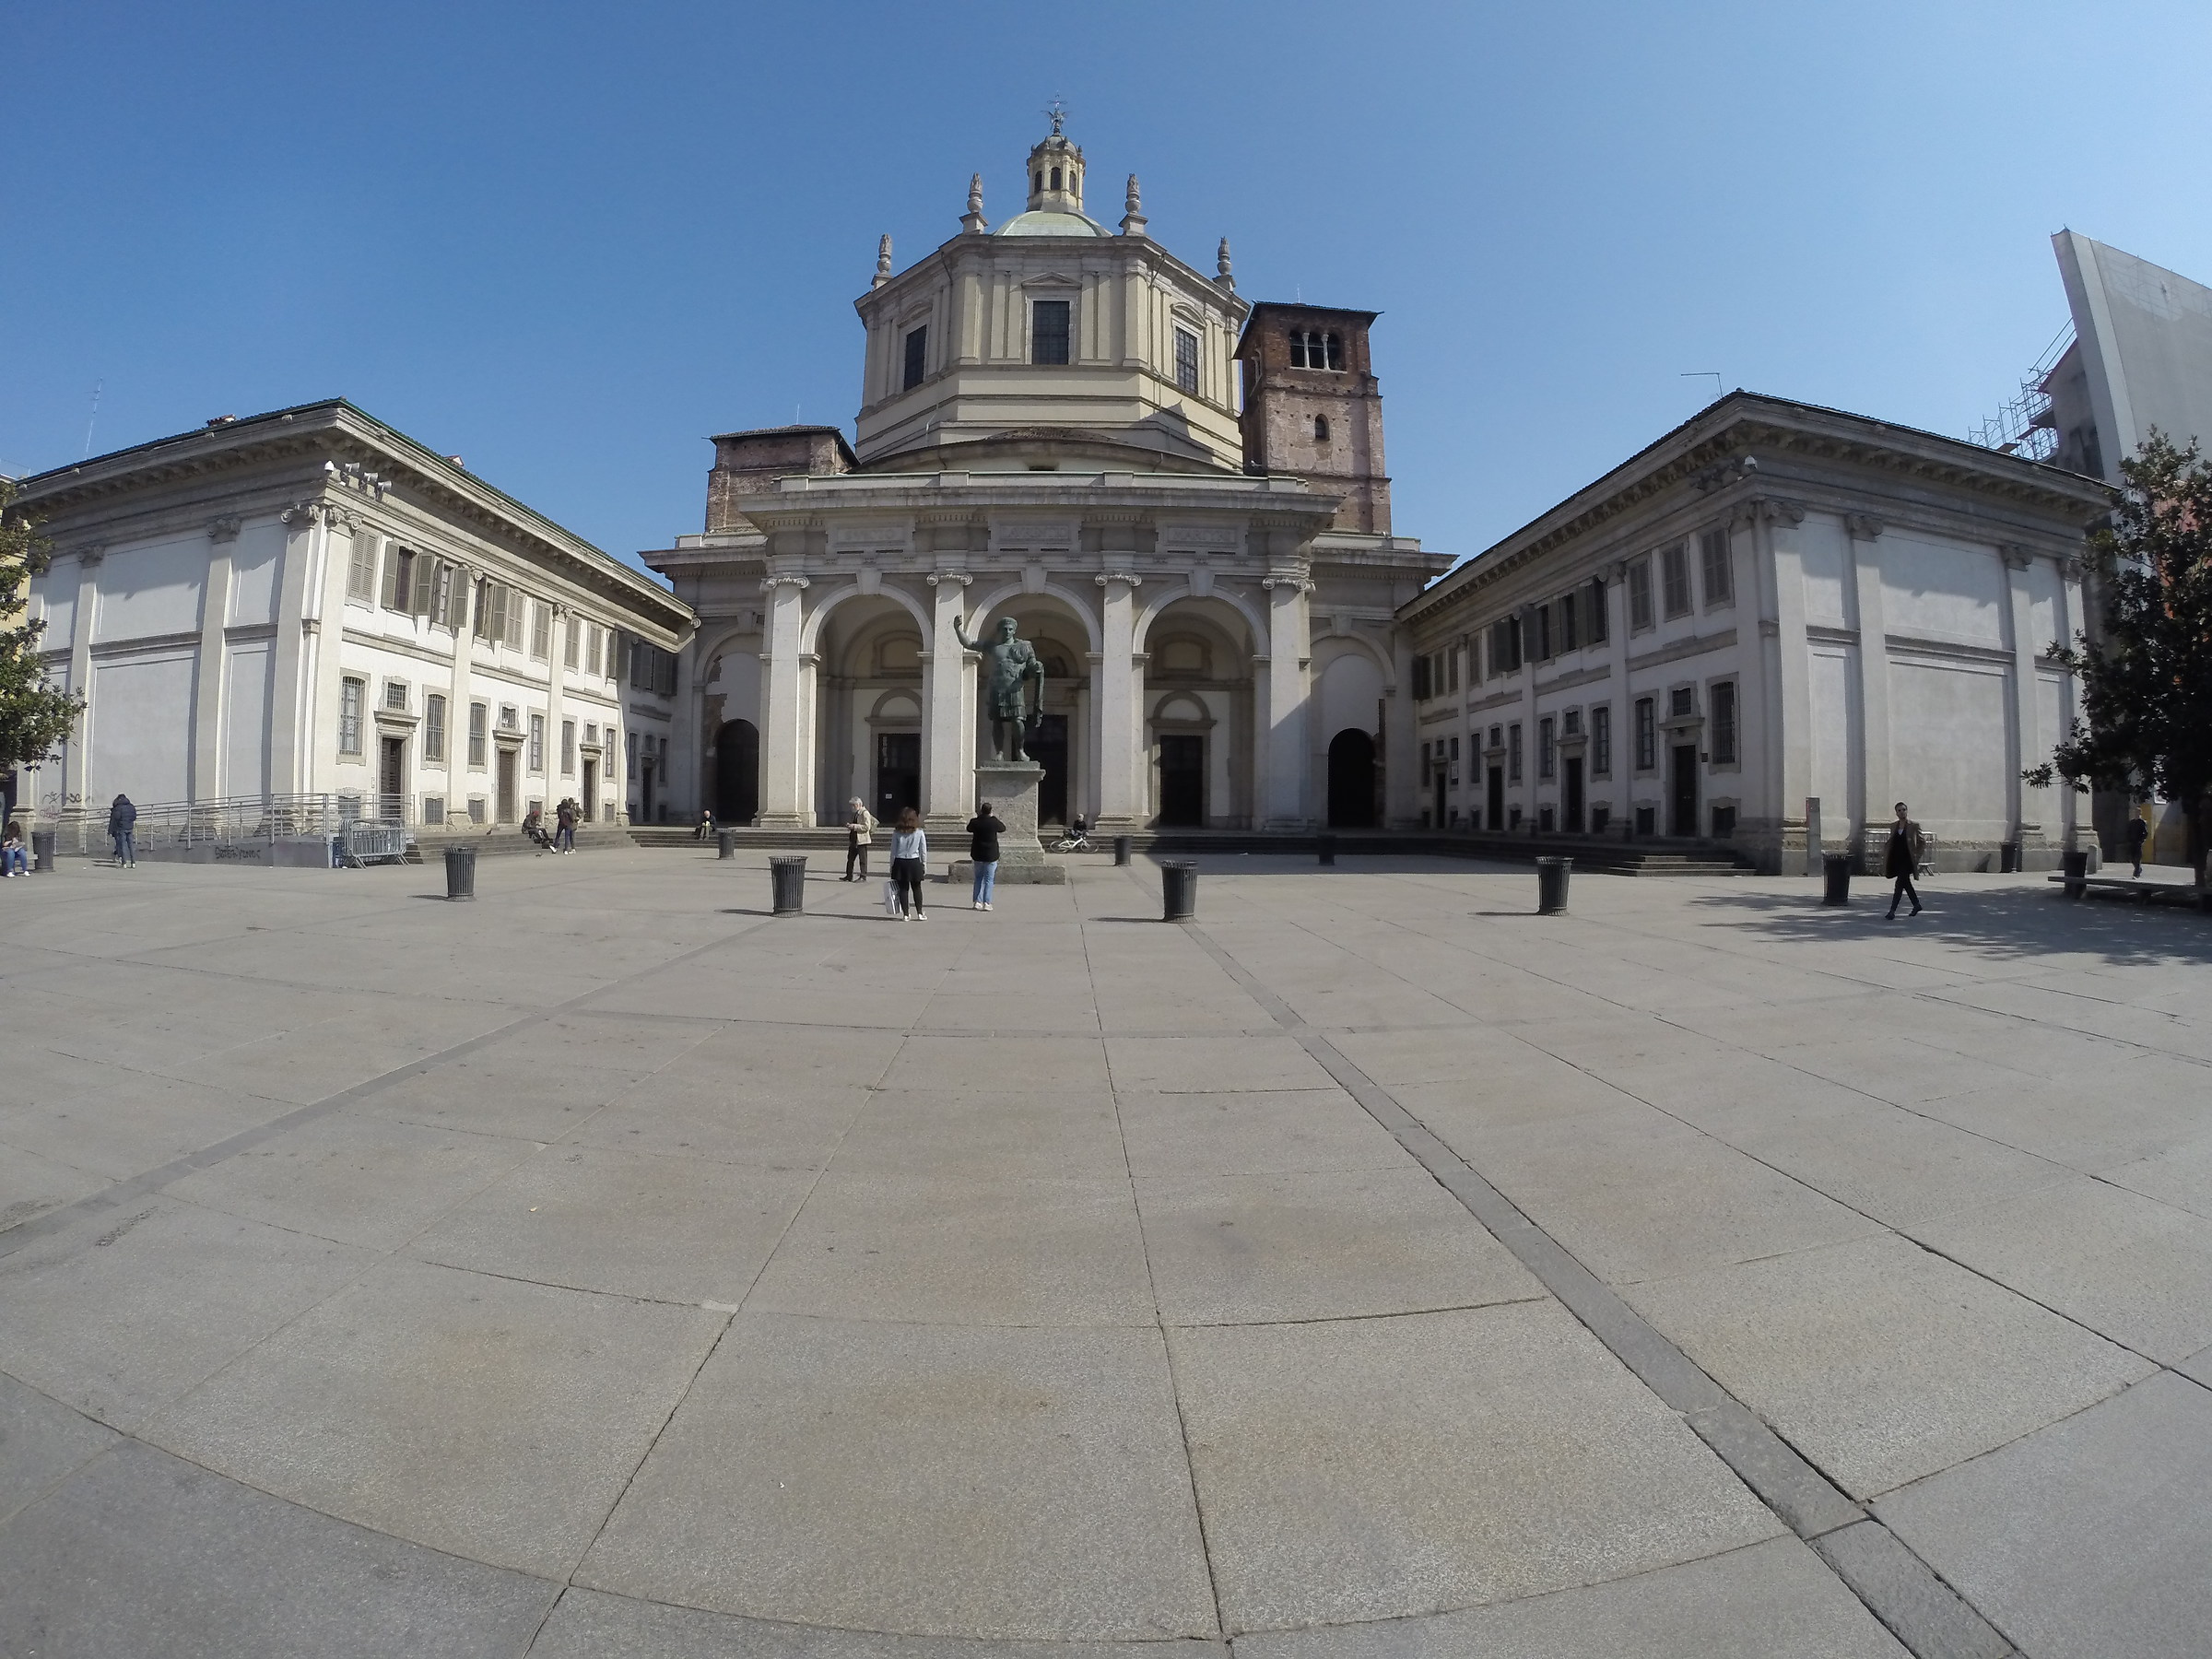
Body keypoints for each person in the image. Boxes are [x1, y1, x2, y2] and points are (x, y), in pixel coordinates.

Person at [1883, 801, 1924, 919]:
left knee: (1899, 884)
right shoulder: (1894, 826)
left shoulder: (1913, 825)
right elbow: (1892, 841)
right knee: (1905, 883)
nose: (1902, 812)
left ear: (1907, 811)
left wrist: (1917, 855)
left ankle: (1892, 911)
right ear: (1896, 813)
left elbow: (1922, 841)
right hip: (1896, 859)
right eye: (1899, 810)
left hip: (1907, 860)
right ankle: (1916, 904)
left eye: (1904, 810)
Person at [888, 806, 928, 920]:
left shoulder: (897, 833)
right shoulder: (919, 832)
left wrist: (891, 865)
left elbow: (893, 851)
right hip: (914, 861)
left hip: (900, 861)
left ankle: (906, 914)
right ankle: (920, 913)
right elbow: (923, 851)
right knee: (917, 888)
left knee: (903, 889)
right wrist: (924, 863)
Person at [967, 800, 1005, 911]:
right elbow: (1002, 828)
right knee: (989, 879)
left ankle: (977, 902)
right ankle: (987, 902)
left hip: (978, 854)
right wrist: (993, 817)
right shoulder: (993, 822)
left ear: (981, 811)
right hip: (991, 854)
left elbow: (969, 829)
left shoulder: (975, 821)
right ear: (990, 811)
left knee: (978, 878)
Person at [844, 797, 876, 881]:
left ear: (858, 805)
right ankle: (849, 875)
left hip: (862, 840)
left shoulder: (864, 813)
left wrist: (854, 826)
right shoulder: (857, 813)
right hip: (854, 839)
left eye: (853, 805)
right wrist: (850, 826)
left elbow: (866, 827)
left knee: (862, 859)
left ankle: (863, 876)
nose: (852, 807)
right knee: (850, 858)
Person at [108, 794, 137, 867]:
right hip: (130, 827)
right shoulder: (131, 806)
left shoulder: (118, 808)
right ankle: (133, 863)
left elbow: (116, 818)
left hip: (122, 828)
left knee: (123, 845)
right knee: (131, 845)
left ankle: (124, 863)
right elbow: (134, 817)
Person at [2127, 811, 2150, 878]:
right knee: (2132, 858)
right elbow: (2128, 831)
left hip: (2138, 842)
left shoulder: (2142, 822)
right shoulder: (2132, 822)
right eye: (2136, 813)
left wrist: (2142, 840)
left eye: (2138, 813)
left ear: (2140, 814)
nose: (2136, 814)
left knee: (2137, 858)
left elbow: (2145, 833)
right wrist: (2129, 840)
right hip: (2132, 842)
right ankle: (2139, 869)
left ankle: (2136, 874)